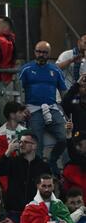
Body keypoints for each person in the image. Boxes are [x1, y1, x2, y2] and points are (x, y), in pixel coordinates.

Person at [18, 40, 67, 173]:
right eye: (38, 51)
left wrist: (67, 108)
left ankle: (52, 161)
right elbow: (19, 89)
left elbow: (63, 92)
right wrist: (22, 108)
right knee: (36, 143)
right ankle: (38, 172)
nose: (41, 54)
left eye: (44, 52)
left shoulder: (55, 70)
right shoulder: (26, 69)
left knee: (65, 137)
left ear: (49, 54)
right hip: (33, 109)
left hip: (52, 108)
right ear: (35, 52)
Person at [0, 131, 50, 214]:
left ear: (34, 146)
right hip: (14, 211)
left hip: (34, 211)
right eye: (20, 142)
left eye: (25, 142)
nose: (21, 144)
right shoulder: (13, 161)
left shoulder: (43, 166)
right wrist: (8, 152)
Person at [0, 101, 28, 194]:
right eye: (20, 112)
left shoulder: (26, 132)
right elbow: (0, 162)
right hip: (9, 181)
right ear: (12, 115)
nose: (23, 114)